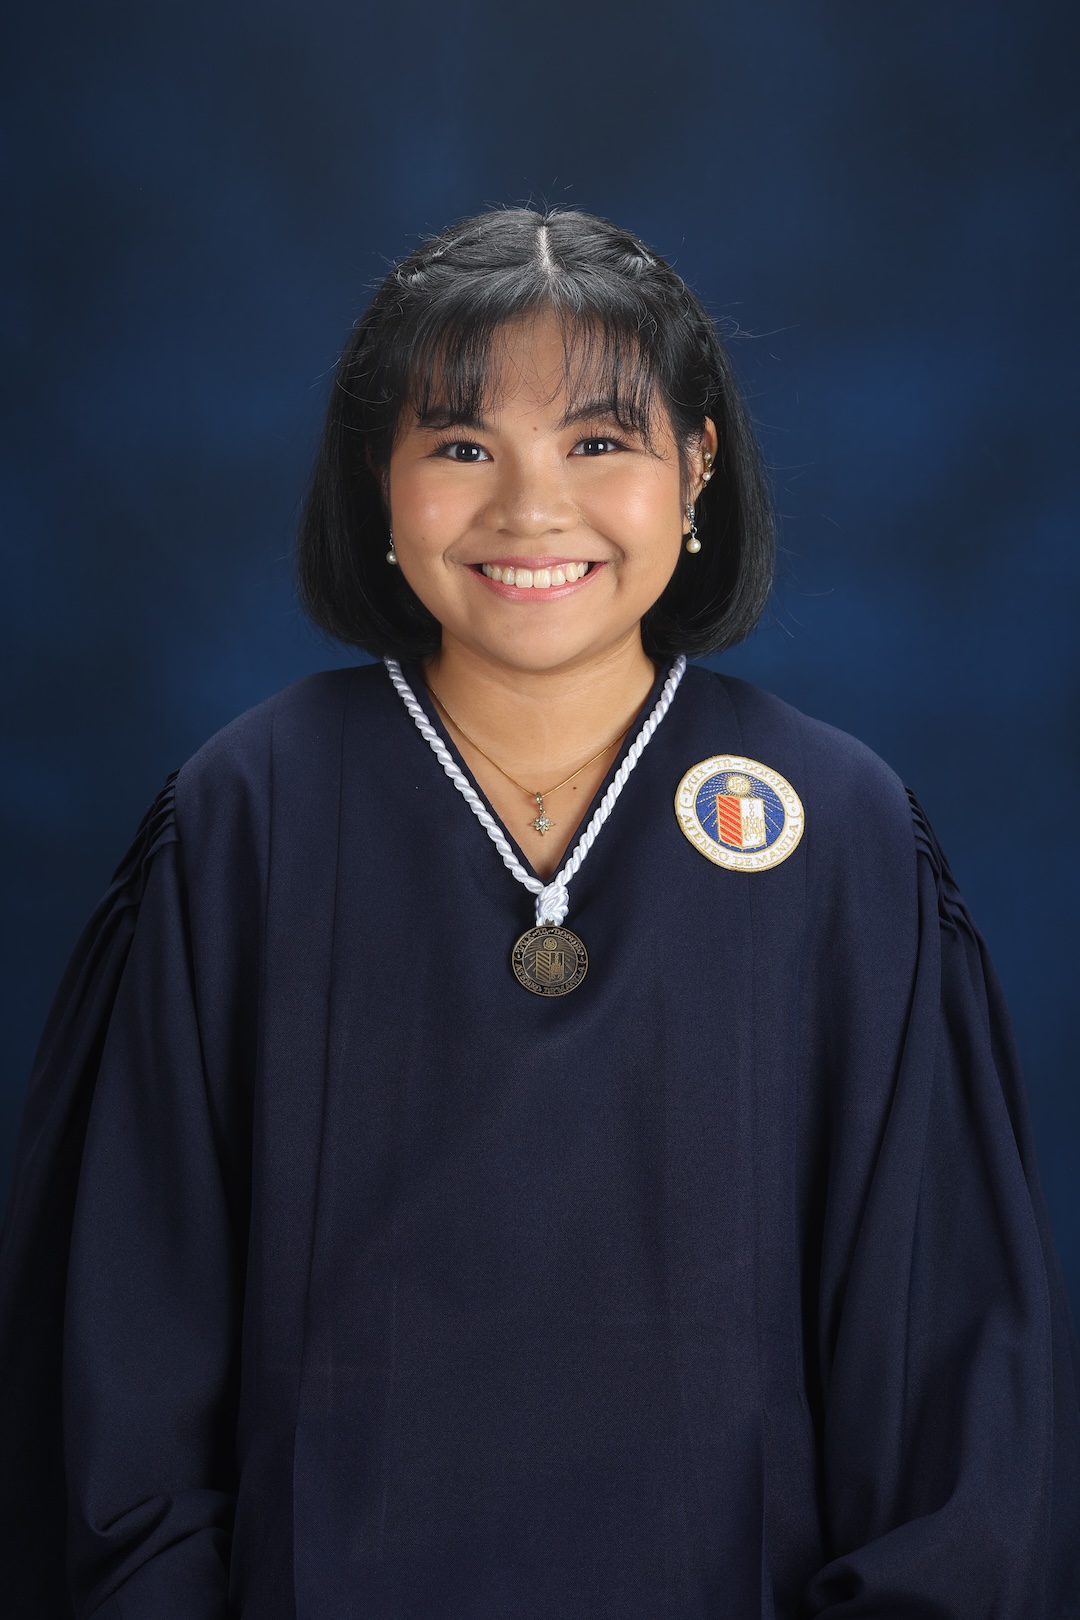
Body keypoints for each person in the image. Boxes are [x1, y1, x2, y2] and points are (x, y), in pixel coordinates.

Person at [1, 206, 1077, 1619]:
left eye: (599, 442)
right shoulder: (245, 818)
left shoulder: (838, 835)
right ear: (376, 481)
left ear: (697, 468)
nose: (530, 510)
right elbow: (115, 1388)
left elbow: (954, 1415)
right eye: (460, 447)